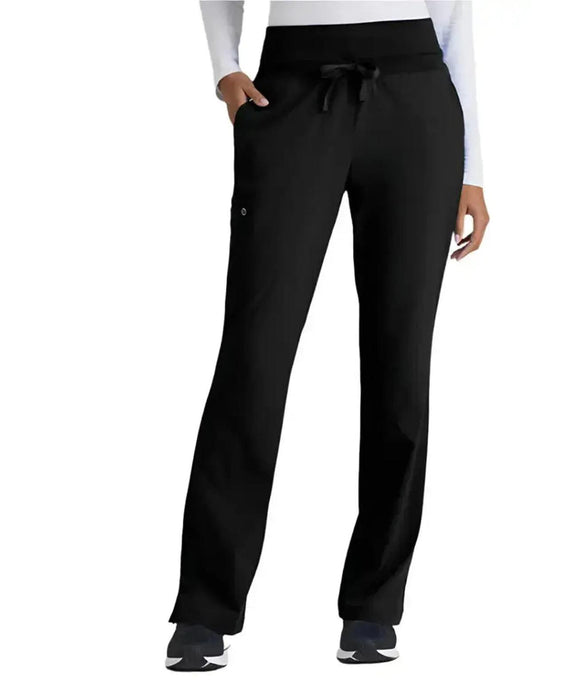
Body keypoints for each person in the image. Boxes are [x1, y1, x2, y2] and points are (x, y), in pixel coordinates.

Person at [166, 0, 489, 671]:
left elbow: (454, 16)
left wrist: (472, 167)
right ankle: (205, 606)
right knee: (254, 356)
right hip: (290, 93)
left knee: (401, 361)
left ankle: (374, 606)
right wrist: (225, 68)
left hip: (416, 99)